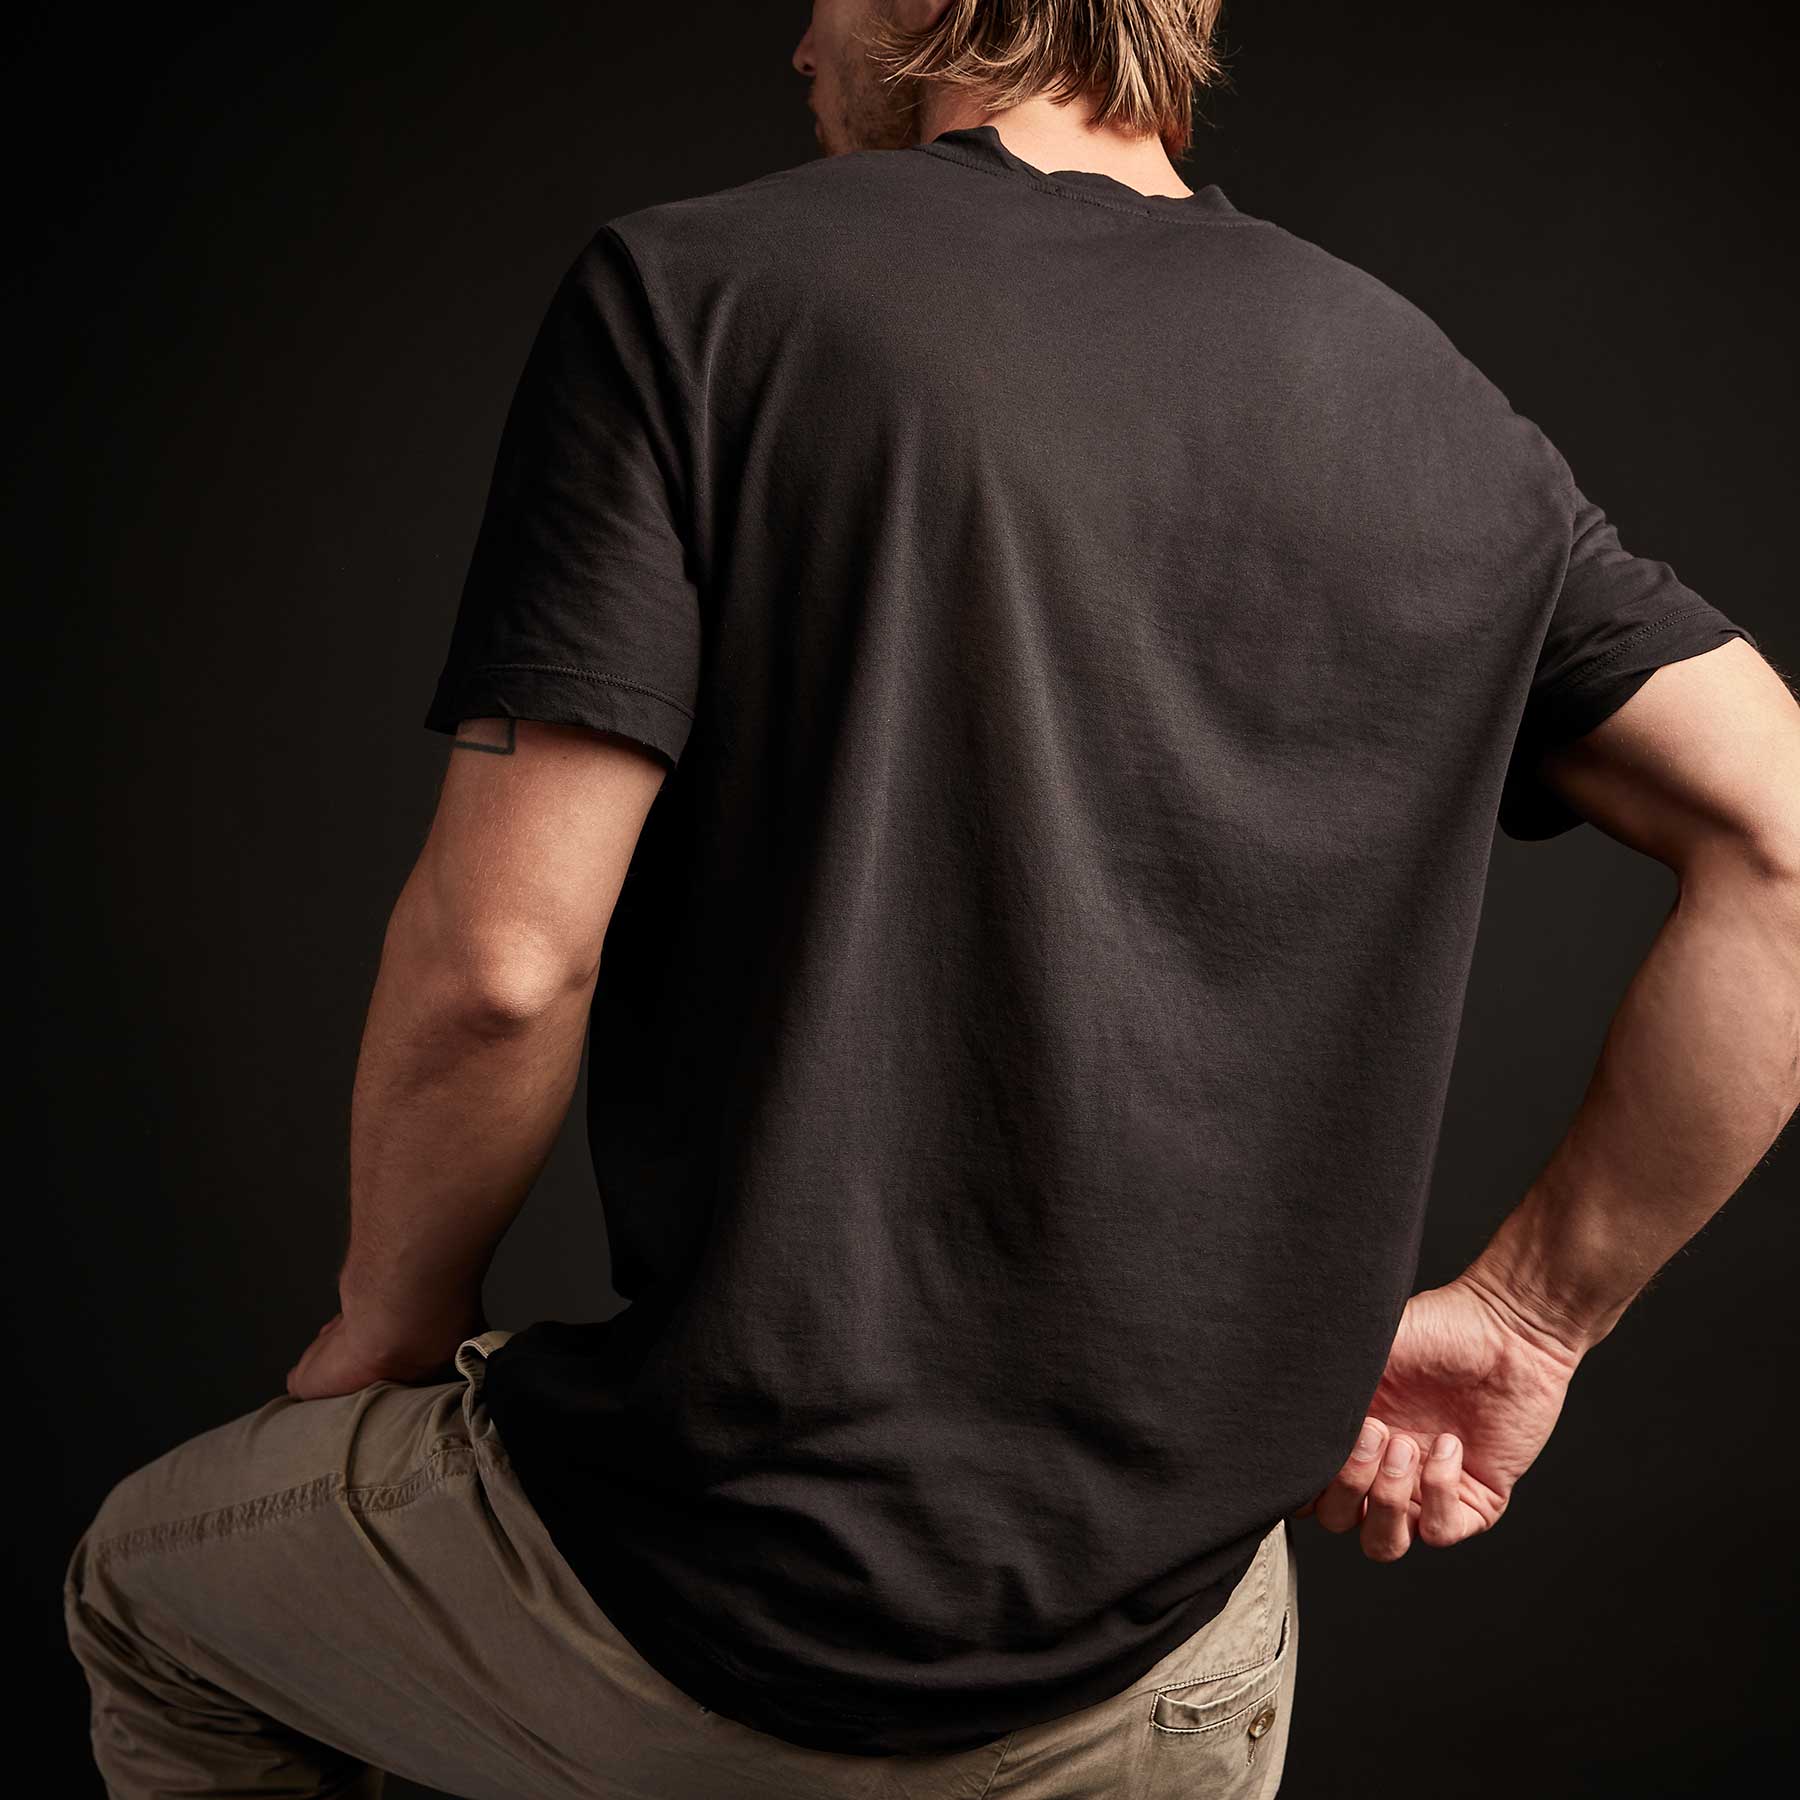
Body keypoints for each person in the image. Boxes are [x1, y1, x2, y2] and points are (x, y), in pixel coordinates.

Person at [64, 3, 1800, 1797]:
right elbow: (1787, 843)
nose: (796, 49)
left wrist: (392, 1324)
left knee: (149, 1597)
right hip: (1159, 1653)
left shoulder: (700, 295)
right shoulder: (1437, 408)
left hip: (718, 1603)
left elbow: (504, 964)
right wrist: (1530, 1323)